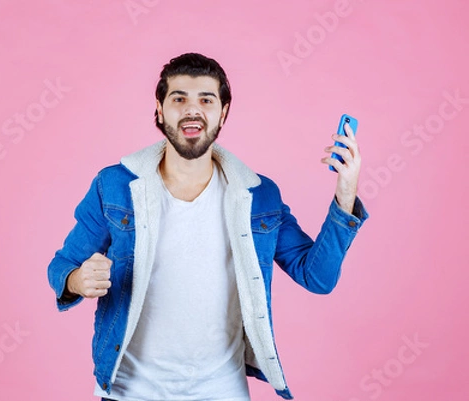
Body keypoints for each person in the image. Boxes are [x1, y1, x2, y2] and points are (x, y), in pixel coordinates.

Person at [47, 52, 368, 401]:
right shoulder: (114, 186)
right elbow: (61, 266)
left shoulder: (259, 197)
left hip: (222, 391)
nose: (192, 109)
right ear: (159, 109)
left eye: (206, 99)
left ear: (223, 112)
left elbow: (317, 277)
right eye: (179, 98)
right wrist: (78, 280)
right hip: (130, 392)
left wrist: (346, 192)